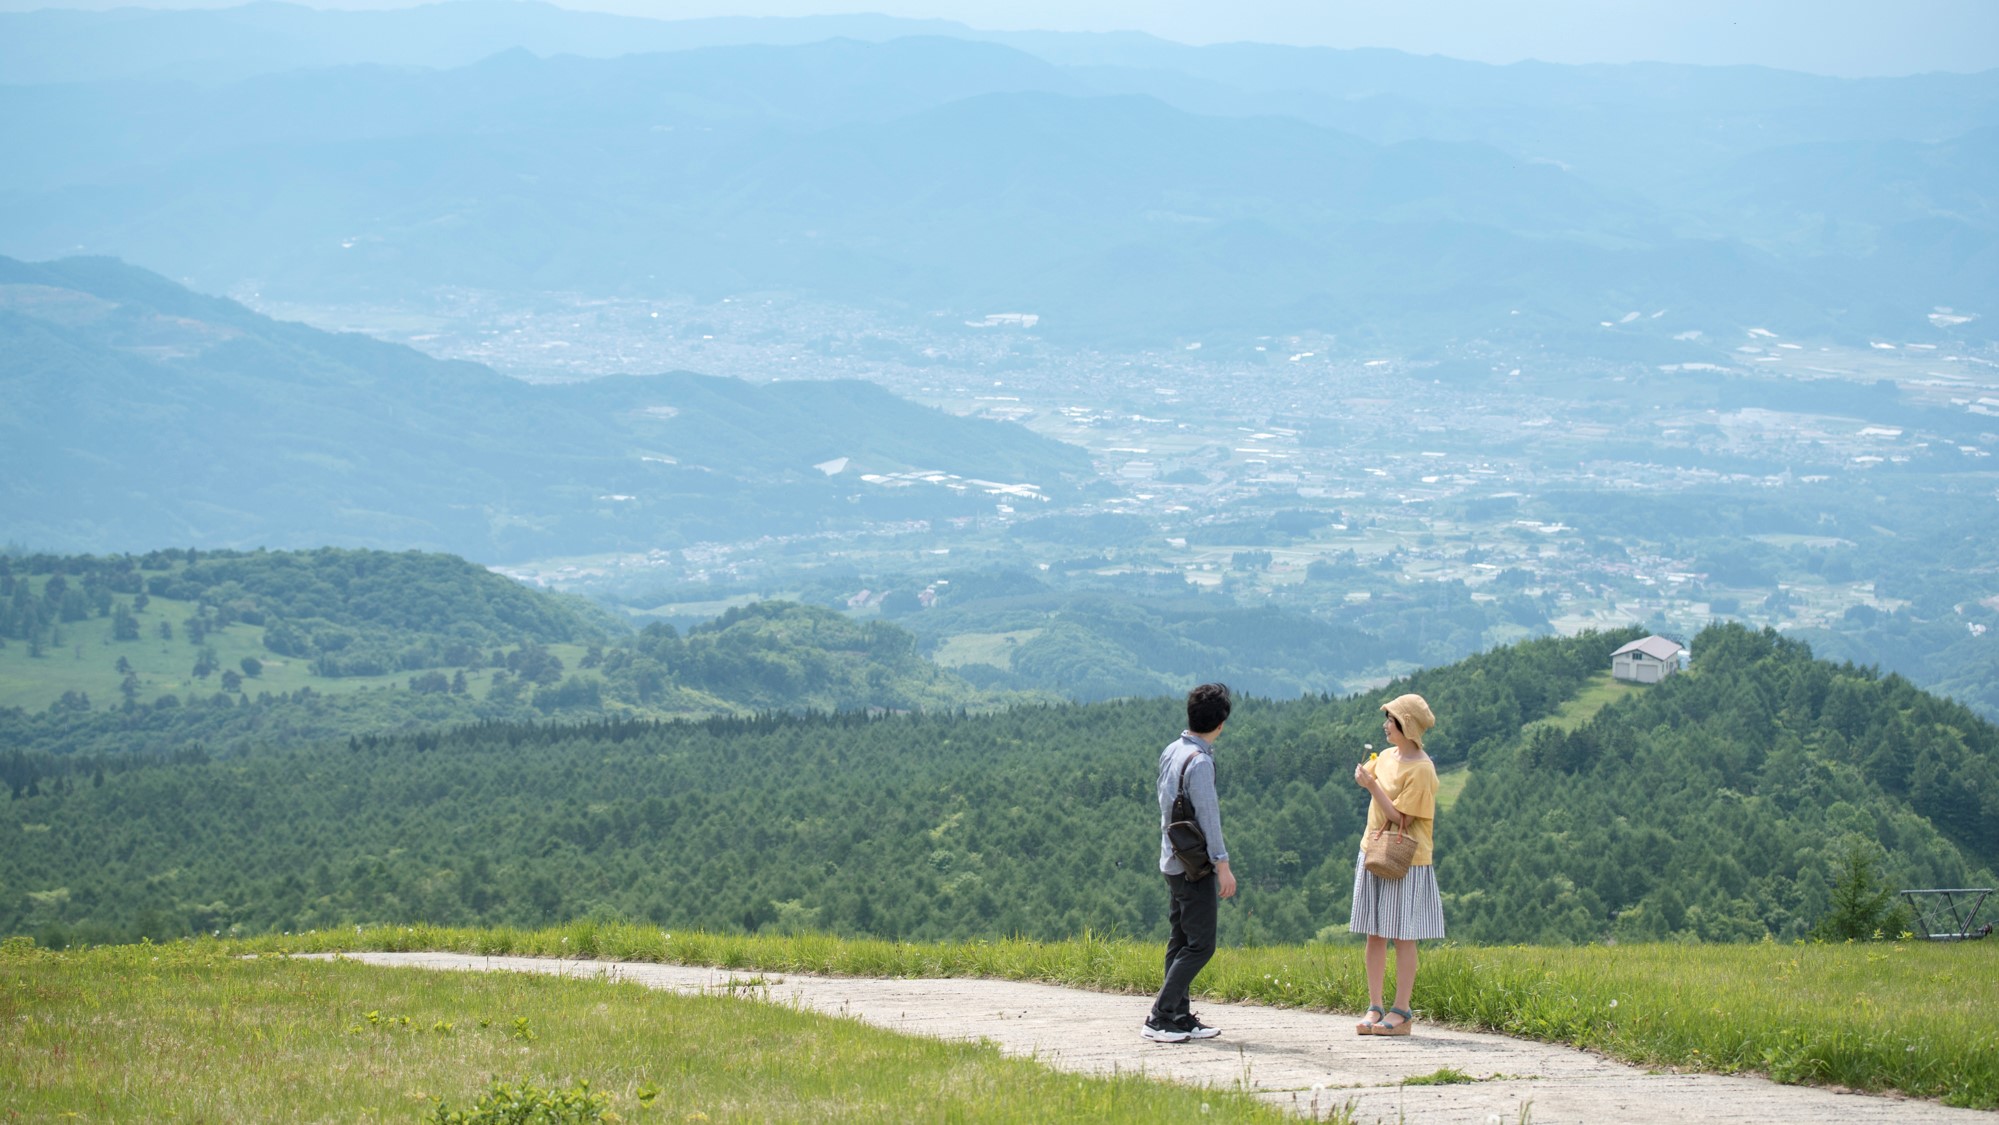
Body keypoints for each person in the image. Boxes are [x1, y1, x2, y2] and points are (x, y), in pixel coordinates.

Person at [1143, 681, 1238, 1043]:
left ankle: (1179, 1015)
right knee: (1201, 944)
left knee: (1180, 939)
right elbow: (1209, 818)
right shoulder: (1200, 763)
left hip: (1173, 858)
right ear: (1220, 723)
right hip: (1193, 866)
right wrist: (1222, 865)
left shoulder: (1173, 750)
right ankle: (1160, 1016)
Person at [1349, 692, 1444, 1036]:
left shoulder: (1422, 769)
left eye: (1391, 720)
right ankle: (1375, 1006)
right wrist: (1368, 778)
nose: (1385, 725)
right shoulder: (1388, 755)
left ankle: (1401, 1011)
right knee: (1375, 933)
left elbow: (1399, 815)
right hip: (1375, 850)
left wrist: (1371, 785)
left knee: (1403, 936)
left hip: (1407, 859)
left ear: (1407, 726)